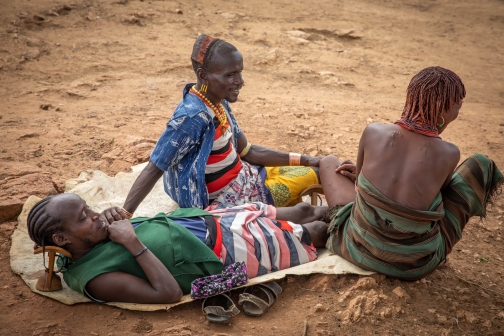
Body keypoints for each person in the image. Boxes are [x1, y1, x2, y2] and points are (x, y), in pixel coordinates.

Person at [110, 34, 322, 221]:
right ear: (203, 76)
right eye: (230, 75)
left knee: (313, 167)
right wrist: (125, 215)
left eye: (239, 72)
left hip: (247, 174)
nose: (240, 81)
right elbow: (155, 167)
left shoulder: (218, 101)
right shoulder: (192, 118)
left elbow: (248, 151)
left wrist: (306, 159)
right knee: (315, 175)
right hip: (231, 198)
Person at [318, 66, 503, 280]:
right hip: (413, 265)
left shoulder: (373, 131)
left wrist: (363, 176)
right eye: (459, 105)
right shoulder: (449, 153)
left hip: (356, 247)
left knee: (331, 162)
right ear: (448, 107)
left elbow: (360, 189)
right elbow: (437, 196)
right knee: (481, 164)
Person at [27, 193, 328, 304]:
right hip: (227, 251)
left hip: (209, 219)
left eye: (90, 208)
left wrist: (118, 218)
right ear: (62, 240)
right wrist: (132, 241)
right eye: (83, 217)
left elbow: (134, 226)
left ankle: (352, 203)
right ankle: (369, 210)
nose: (95, 215)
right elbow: (168, 294)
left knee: (302, 210)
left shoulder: (94, 236)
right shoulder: (95, 279)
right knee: (318, 231)